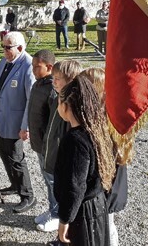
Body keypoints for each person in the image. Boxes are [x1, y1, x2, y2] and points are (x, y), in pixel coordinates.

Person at [55, 74, 116, 246]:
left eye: (59, 102)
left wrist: (65, 220)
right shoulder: (97, 131)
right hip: (97, 204)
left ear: (67, 106)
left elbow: (74, 186)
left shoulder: (75, 140)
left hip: (83, 213)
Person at [0, 31, 36, 213]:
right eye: (3, 47)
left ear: (20, 48)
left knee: (16, 159)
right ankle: (14, 184)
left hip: (15, 123)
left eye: (7, 47)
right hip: (1, 119)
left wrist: (25, 126)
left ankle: (27, 195)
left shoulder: (28, 65)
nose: (3, 50)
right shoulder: (4, 62)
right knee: (4, 154)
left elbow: (31, 99)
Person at [82, 67, 128, 246]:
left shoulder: (108, 119)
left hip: (107, 188)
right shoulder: (96, 115)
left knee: (107, 227)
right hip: (101, 188)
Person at [39, 60, 83, 233]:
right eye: (53, 77)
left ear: (71, 79)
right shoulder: (58, 97)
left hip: (61, 157)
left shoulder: (73, 103)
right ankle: (54, 210)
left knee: (62, 189)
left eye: (58, 78)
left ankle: (60, 218)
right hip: (51, 150)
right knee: (52, 185)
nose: (53, 81)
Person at [26, 49, 57, 231]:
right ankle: (52, 209)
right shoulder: (39, 84)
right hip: (39, 143)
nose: (33, 71)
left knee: (53, 180)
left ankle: (57, 214)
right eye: (32, 66)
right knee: (47, 180)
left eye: (37, 67)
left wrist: (48, 144)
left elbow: (54, 122)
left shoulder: (52, 89)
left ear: (49, 67)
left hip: (49, 146)